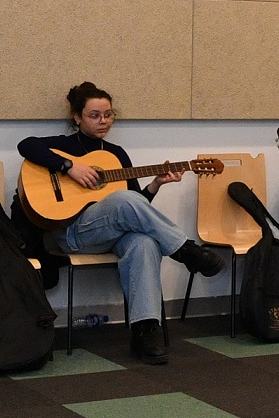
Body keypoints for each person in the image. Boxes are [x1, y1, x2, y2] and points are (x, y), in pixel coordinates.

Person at [17, 82, 226, 366]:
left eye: (108, 115)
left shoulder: (116, 154)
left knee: (144, 241)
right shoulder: (65, 146)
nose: (103, 121)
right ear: (77, 117)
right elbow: (26, 145)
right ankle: (185, 250)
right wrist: (70, 167)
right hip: (74, 232)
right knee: (124, 200)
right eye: (94, 115)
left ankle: (145, 330)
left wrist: (156, 184)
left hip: (111, 235)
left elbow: (137, 206)